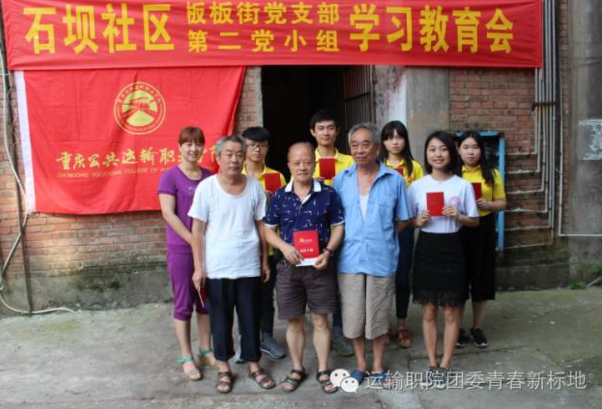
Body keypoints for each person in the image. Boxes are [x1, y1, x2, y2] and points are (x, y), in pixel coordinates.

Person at [188, 135, 275, 393]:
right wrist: (199, 267)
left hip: (248, 265)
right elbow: (197, 231)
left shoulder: (255, 187)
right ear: (218, 157)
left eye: (239, 154)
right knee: (220, 321)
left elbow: (262, 226)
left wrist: (264, 260)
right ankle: (224, 367)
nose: (234, 159)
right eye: (229, 154)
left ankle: (254, 365)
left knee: (251, 318)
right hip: (217, 268)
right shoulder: (206, 188)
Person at [333, 123, 411, 387]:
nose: (359, 150)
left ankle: (377, 366)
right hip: (349, 258)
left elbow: (403, 219)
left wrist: (383, 235)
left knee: (378, 315)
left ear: (377, 147)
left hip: (381, 256)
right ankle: (360, 365)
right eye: (354, 145)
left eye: (365, 144)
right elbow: (335, 221)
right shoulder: (341, 180)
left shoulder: (394, 180)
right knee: (353, 316)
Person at [264, 142, 345, 394]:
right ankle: (297, 368)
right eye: (296, 162)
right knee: (294, 321)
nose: (302, 167)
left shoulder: (328, 194)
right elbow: (268, 230)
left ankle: (323, 369)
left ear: (314, 163)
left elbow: (339, 226)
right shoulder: (279, 196)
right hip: (289, 268)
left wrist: (328, 252)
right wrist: (284, 247)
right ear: (288, 165)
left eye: (307, 162)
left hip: (320, 267)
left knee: (321, 320)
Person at [408, 131, 479, 388]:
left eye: (443, 149)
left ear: (452, 153)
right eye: (432, 149)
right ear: (426, 154)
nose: (437, 154)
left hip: (453, 248)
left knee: (451, 310)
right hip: (427, 248)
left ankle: (446, 364)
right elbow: (407, 221)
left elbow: (475, 221)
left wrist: (458, 216)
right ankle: (432, 362)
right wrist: (419, 221)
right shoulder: (417, 186)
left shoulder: (462, 185)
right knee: (428, 310)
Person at [157, 126, 216, 381]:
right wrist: (192, 239)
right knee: (183, 303)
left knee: (206, 302)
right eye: (188, 144)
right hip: (181, 249)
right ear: (179, 147)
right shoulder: (170, 176)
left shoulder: (210, 177)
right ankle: (186, 355)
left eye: (198, 144)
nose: (193, 149)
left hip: (208, 249)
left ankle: (205, 349)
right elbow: (168, 213)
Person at [309, 109, 355, 357]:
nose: (325, 133)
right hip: (315, 232)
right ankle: (321, 328)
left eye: (330, 128)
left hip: (345, 229)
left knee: (342, 282)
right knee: (319, 282)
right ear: (312, 132)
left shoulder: (350, 162)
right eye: (321, 128)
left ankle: (339, 331)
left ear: (337, 131)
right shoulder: (305, 161)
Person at [456, 131, 507, 349]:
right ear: (458, 150)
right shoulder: (452, 174)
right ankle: (457, 328)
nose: (471, 152)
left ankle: (477, 327)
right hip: (459, 227)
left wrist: (489, 205)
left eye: (475, 147)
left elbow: (503, 202)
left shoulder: (491, 173)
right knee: (458, 279)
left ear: (481, 150)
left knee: (482, 277)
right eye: (466, 147)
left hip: (483, 227)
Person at [240, 126, 287, 361]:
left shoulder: (277, 177)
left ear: (267, 148)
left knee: (266, 297)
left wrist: (272, 202)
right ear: (244, 147)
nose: (257, 149)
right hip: (242, 247)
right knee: (243, 297)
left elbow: (285, 212)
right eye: (252, 145)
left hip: (269, 247)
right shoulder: (235, 175)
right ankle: (246, 340)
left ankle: (267, 336)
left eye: (262, 145)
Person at [380, 120, 424, 349]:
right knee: (383, 278)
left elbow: (419, 198)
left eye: (399, 137)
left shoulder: (414, 167)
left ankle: (402, 325)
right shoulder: (378, 165)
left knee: (402, 278)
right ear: (383, 142)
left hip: (404, 227)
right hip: (381, 229)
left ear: (406, 140)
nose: (394, 142)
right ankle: (385, 325)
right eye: (389, 137)